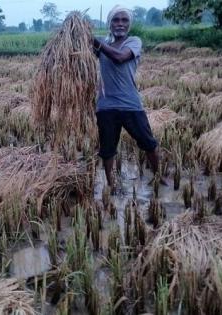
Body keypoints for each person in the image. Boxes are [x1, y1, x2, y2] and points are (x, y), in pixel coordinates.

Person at [93, 5, 165, 193]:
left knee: (148, 142)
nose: (120, 24)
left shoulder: (133, 42)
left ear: (129, 24)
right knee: (107, 148)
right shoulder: (102, 45)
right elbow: (80, 58)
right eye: (116, 20)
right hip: (106, 106)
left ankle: (158, 177)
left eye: (124, 20)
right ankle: (111, 184)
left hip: (130, 104)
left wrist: (96, 42)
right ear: (109, 23)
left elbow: (120, 58)